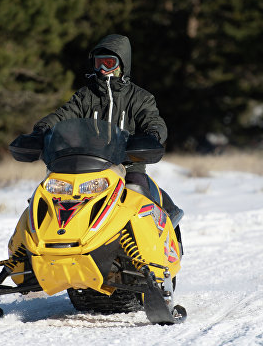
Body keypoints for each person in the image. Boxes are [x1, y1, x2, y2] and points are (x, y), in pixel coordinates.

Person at [31, 34, 183, 228]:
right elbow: (63, 115)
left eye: (109, 63)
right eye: (98, 63)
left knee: (137, 192)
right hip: (88, 167)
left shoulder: (140, 98)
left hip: (129, 165)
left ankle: (149, 242)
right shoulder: (85, 96)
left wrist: (152, 136)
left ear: (122, 65)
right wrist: (41, 130)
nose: (102, 69)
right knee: (49, 195)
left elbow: (153, 120)